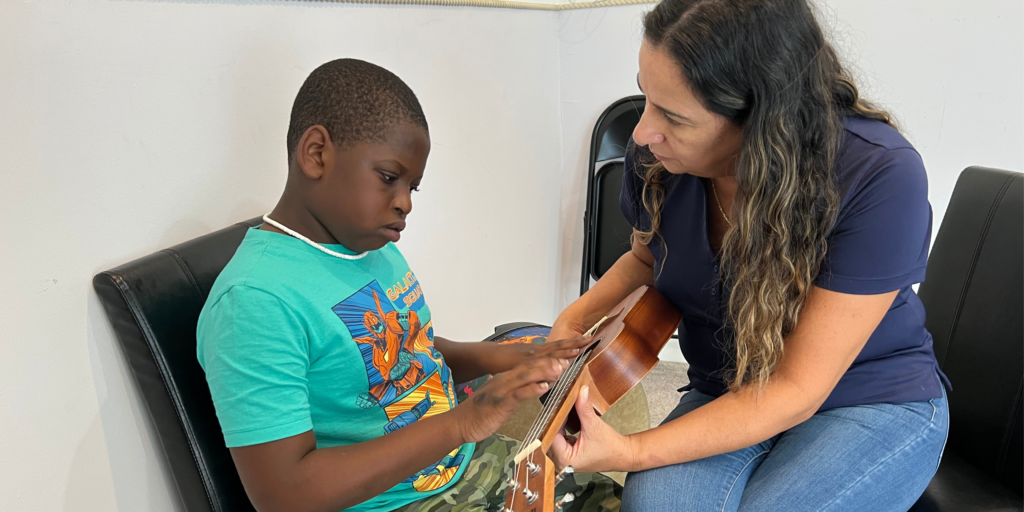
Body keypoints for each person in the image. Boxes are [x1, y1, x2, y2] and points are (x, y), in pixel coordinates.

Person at [547, 1, 950, 510]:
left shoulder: (880, 175)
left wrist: (630, 450)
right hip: (727, 387)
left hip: (869, 398)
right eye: (646, 97)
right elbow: (649, 261)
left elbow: (796, 389)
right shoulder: (658, 158)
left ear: (765, 121)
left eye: (672, 115)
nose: (643, 132)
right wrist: (571, 320)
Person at [196, 58, 621, 512]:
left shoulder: (365, 245)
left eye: (413, 187)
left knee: (619, 499)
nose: (405, 204)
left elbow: (401, 350)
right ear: (316, 153)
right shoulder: (255, 302)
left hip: (462, 464)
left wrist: (501, 357)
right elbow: (284, 494)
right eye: (388, 178)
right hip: (394, 502)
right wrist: (466, 421)